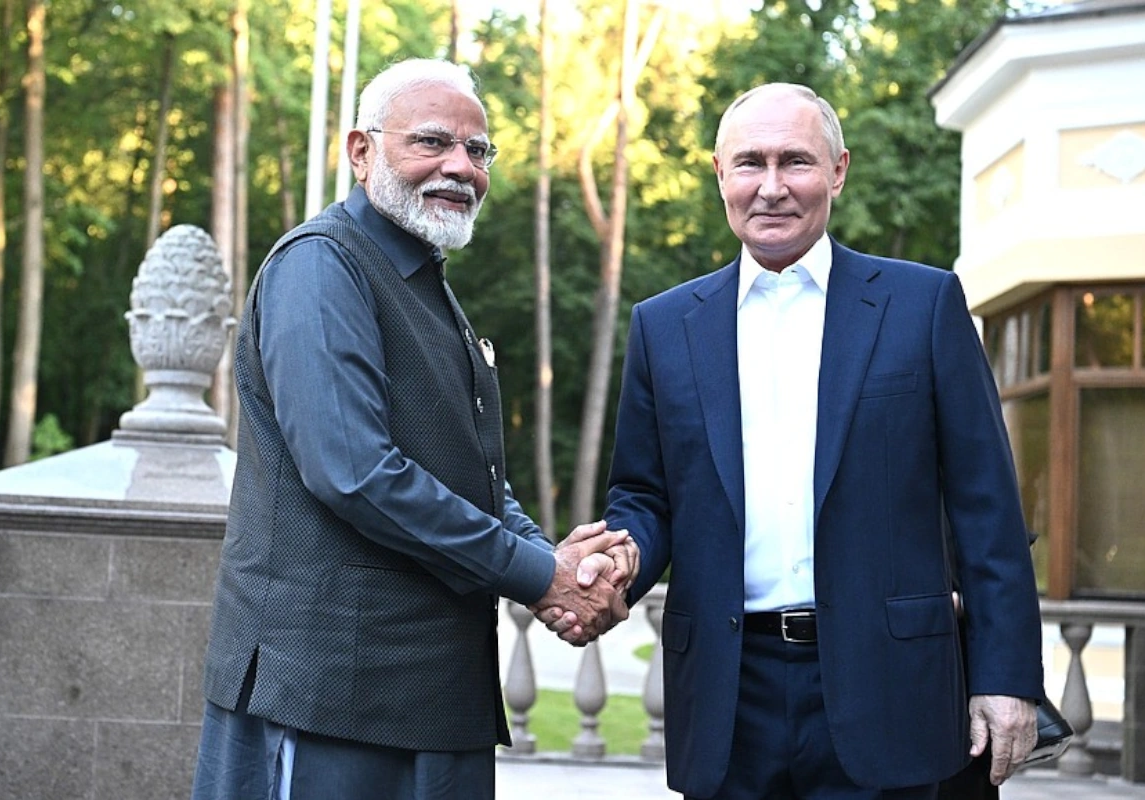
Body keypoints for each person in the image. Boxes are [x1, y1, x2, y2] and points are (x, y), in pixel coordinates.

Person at [190, 58, 631, 800]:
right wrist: (541, 576)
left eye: (478, 150)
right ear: (362, 151)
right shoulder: (322, 267)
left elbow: (474, 478)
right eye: (432, 142)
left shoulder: (424, 285)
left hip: (432, 706)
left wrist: (549, 561)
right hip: (329, 700)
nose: (460, 166)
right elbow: (355, 471)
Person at [599, 82, 1045, 799]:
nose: (771, 186)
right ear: (720, 174)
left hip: (891, 691)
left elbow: (986, 506)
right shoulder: (664, 326)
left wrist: (1006, 677)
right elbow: (643, 496)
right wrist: (619, 562)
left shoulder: (922, 305)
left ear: (838, 170)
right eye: (750, 163)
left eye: (795, 161)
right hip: (725, 697)